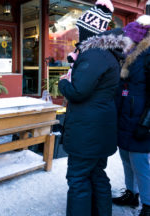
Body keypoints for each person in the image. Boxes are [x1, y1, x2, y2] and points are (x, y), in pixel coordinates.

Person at [58, 0, 134, 215]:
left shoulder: (94, 54)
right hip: (99, 128)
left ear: (88, 31)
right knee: (97, 174)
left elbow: (78, 91)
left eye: (80, 30)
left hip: (87, 131)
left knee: (78, 178)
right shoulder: (106, 53)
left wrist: (63, 81)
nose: (77, 35)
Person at [113, 15, 150, 216]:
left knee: (140, 163)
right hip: (126, 116)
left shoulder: (148, 54)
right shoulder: (130, 53)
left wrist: (146, 123)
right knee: (126, 157)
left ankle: (148, 205)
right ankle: (131, 194)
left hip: (140, 119)